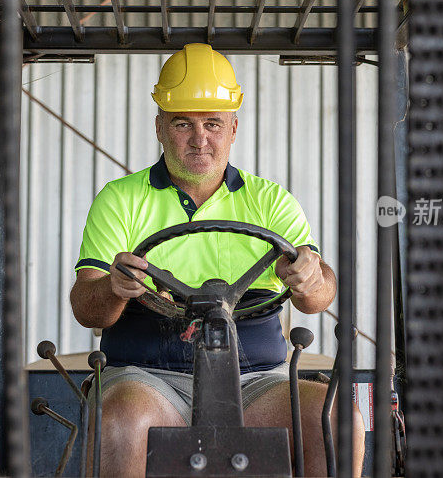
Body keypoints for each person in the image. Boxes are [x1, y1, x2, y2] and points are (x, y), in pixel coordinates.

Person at [70, 43, 365, 476]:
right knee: (121, 420)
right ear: (159, 127)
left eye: (212, 123)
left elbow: (317, 295)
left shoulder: (270, 201)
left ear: (233, 128)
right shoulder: (121, 199)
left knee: (338, 422)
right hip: (148, 375)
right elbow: (85, 307)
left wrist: (308, 278)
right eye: (182, 124)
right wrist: (113, 288)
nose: (199, 138)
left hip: (257, 380)